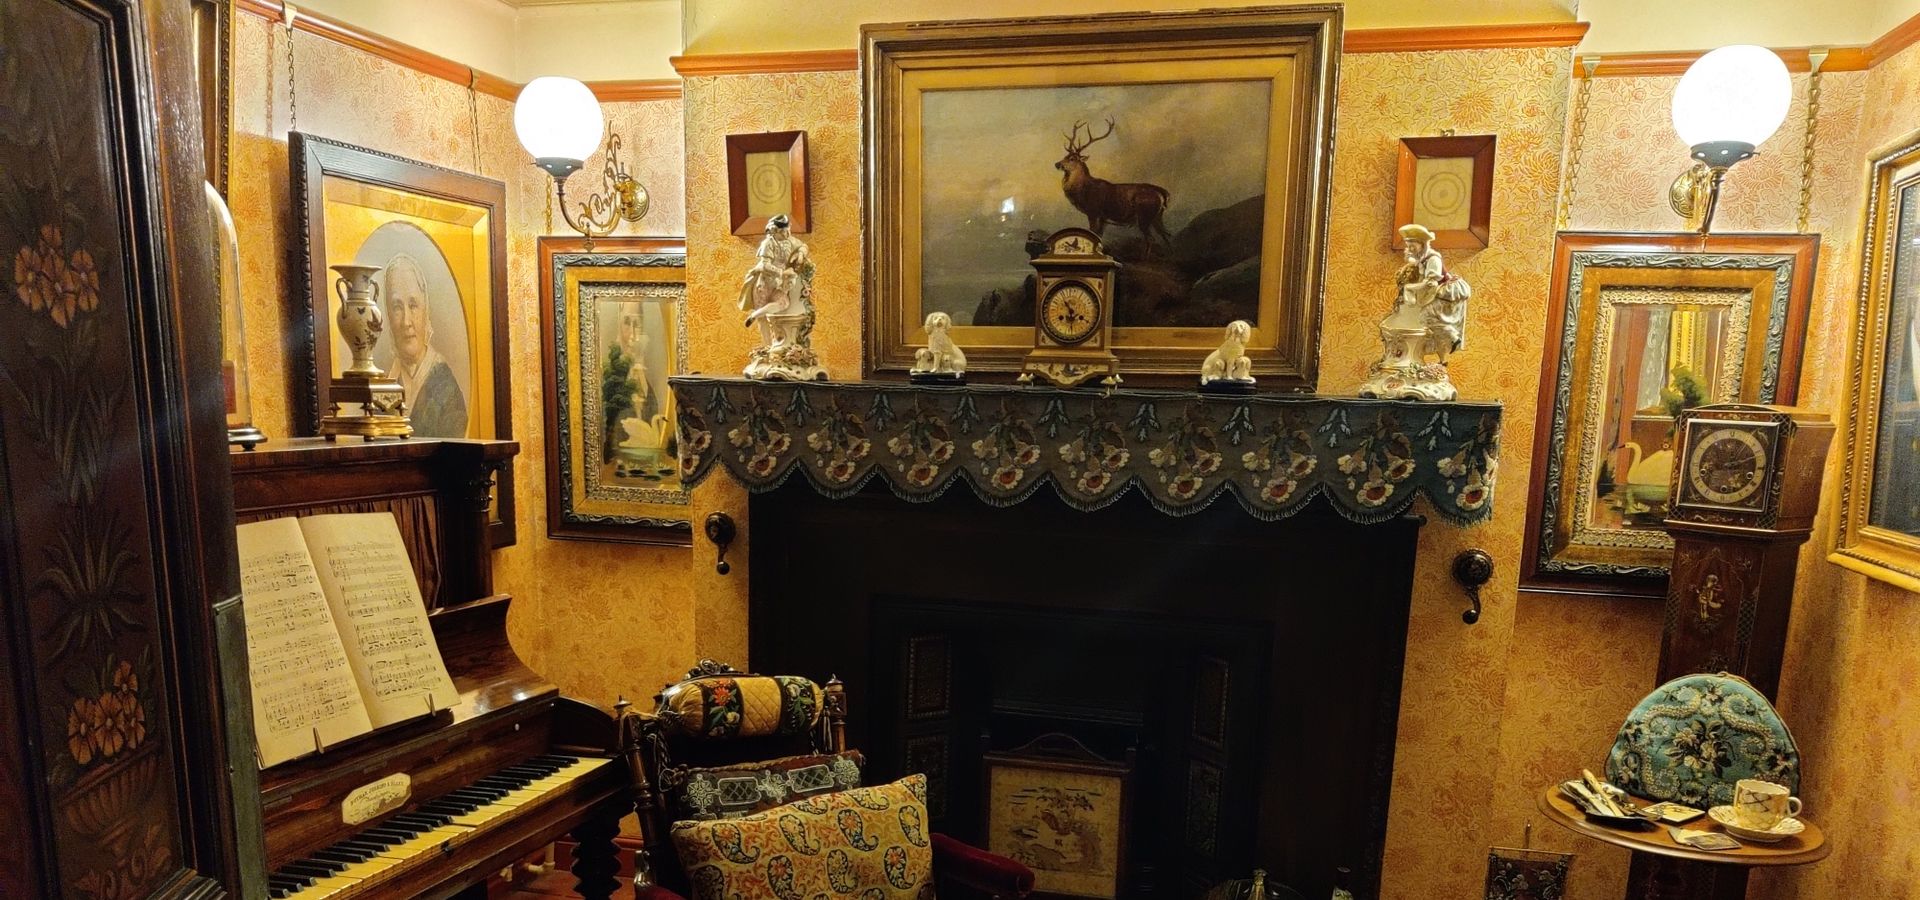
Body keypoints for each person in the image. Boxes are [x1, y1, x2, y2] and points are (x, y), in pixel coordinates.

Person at [383, 253, 468, 437]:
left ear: (425, 310)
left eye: (413, 305)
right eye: (397, 307)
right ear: (388, 315)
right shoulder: (384, 383)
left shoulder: (447, 389)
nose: (406, 321)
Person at [1394, 224, 1470, 365]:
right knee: (1429, 325)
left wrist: (1410, 288)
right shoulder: (1422, 258)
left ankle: (1453, 337)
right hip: (1434, 290)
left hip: (1445, 291)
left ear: (1422, 244)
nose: (1410, 249)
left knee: (1427, 316)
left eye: (1413, 246)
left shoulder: (1433, 259)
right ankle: (1441, 358)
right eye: (1408, 245)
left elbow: (1431, 283)